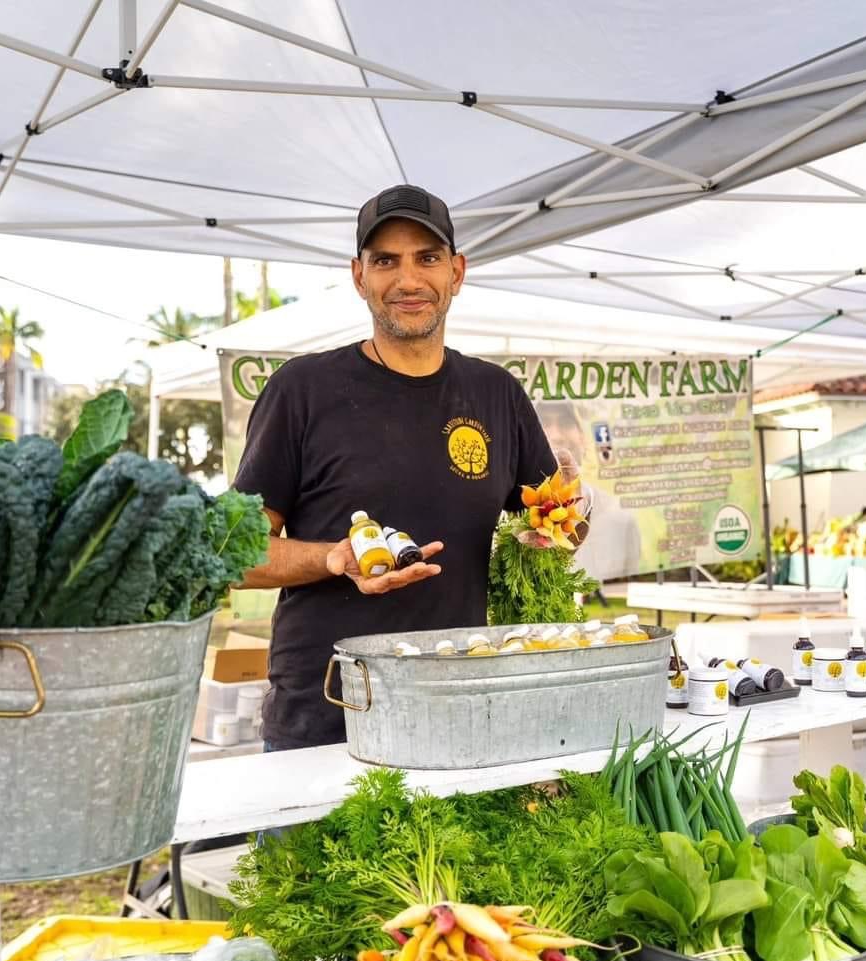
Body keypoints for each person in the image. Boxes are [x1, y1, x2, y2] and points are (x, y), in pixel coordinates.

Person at [233, 185, 560, 751]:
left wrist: (567, 518)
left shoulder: (497, 393)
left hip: (458, 711)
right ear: (359, 276)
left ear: (456, 272)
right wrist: (333, 558)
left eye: (427, 258)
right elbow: (235, 554)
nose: (408, 281)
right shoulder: (303, 390)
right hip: (329, 716)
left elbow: (555, 525)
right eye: (386, 260)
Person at [536, 402, 641, 583]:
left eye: (566, 423)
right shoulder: (503, 516)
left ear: (583, 439)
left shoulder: (620, 520)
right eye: (543, 423)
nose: (556, 435)